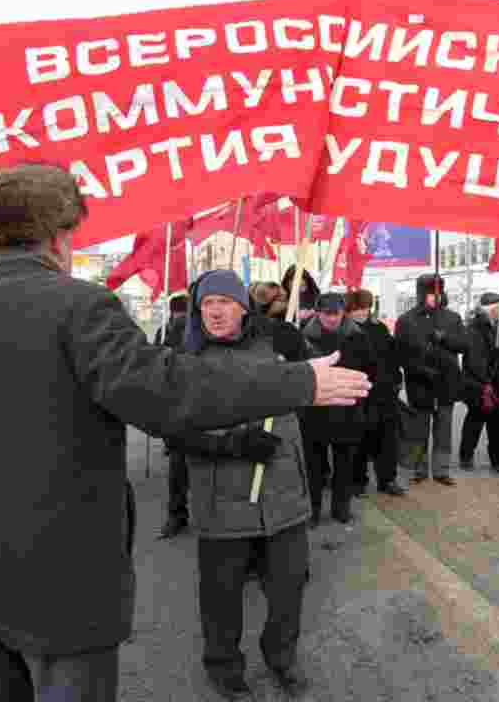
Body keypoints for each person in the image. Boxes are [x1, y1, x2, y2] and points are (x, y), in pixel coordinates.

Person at [0, 163, 370, 702]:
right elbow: (167, 392)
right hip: (62, 576)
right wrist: (300, 382)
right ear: (59, 234)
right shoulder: (77, 305)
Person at [181, 269, 314, 700]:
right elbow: (176, 431)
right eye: (207, 304)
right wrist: (234, 443)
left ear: (243, 306)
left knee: (289, 588)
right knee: (221, 595)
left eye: (224, 302)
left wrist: (298, 362)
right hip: (222, 500)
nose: (216, 311)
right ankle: (223, 667)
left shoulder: (276, 344)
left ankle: (282, 658)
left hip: (283, 493)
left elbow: (309, 387)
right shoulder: (185, 362)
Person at [302, 292, 377, 524]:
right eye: (327, 314)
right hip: (315, 409)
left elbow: (370, 368)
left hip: (347, 407)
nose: (332, 319)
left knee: (345, 462)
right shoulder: (304, 335)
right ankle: (312, 510)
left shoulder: (357, 335)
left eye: (336, 314)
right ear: (318, 313)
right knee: (313, 465)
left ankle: (341, 507)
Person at [395, 274, 467, 486]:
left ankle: (441, 469)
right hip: (420, 383)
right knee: (419, 429)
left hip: (446, 382)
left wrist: (444, 338)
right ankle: (419, 467)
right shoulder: (406, 320)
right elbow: (400, 354)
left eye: (438, 292)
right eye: (430, 293)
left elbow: (464, 345)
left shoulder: (452, 318)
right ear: (421, 294)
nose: (435, 297)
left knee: (444, 429)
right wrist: (419, 369)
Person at [346, 289, 407, 497]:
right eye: (358, 308)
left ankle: (387, 479)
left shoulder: (379, 328)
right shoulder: (347, 331)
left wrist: (397, 377)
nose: (363, 312)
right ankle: (357, 481)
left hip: (385, 391)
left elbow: (392, 356)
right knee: (360, 439)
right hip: (360, 392)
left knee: (387, 439)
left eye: (366, 308)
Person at [155, 294, 191, 539]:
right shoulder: (171, 329)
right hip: (180, 406)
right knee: (179, 465)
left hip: (204, 404)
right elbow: (158, 360)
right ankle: (176, 514)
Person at [458, 293, 499, 472]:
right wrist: (485, 379)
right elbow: (475, 359)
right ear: (490, 308)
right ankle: (466, 457)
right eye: (498, 308)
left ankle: (498, 460)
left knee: (497, 424)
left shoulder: (497, 326)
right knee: (475, 421)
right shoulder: (475, 328)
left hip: (494, 382)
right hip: (478, 384)